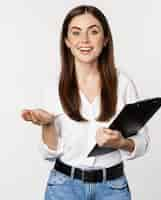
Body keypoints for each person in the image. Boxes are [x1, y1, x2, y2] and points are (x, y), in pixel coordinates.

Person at [20, 5, 150, 200]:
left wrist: (120, 142)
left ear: (105, 39)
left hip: (112, 189)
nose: (85, 40)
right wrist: (47, 124)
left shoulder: (122, 84)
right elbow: (49, 153)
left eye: (94, 31)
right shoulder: (53, 88)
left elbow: (142, 142)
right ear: (67, 41)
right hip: (64, 188)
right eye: (76, 33)